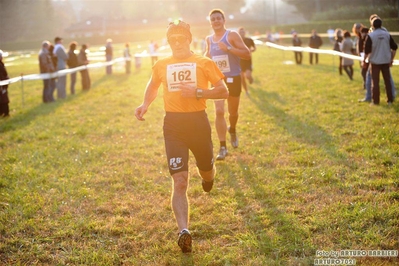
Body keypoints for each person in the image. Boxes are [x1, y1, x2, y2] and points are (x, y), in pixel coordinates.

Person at [134, 20, 228, 253]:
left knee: (206, 169)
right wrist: (145, 103)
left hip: (198, 122)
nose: (177, 43)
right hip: (173, 125)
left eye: (181, 38)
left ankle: (208, 177)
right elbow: (153, 84)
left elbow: (223, 91)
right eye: (172, 39)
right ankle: (183, 231)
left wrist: (199, 92)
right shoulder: (162, 64)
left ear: (189, 39)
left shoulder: (203, 63)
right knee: (180, 180)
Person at [205, 9, 251, 160]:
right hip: (218, 80)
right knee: (219, 112)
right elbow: (207, 57)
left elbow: (246, 54)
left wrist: (229, 48)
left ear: (224, 20)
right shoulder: (209, 39)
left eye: (219, 18)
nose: (216, 21)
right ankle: (222, 146)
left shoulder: (231, 35)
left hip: (233, 78)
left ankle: (233, 129)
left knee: (233, 113)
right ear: (210, 22)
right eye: (213, 19)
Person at [364, 18, 397, 105]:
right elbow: (394, 47)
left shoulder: (371, 35)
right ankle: (390, 100)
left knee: (375, 82)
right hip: (386, 61)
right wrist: (391, 59)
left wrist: (364, 61)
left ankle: (375, 101)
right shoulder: (387, 34)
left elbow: (366, 51)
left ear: (372, 25)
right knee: (387, 81)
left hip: (375, 62)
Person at [238, 27, 256, 95]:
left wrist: (251, 50)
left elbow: (254, 48)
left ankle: (250, 79)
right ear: (238, 33)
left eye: (243, 32)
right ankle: (246, 91)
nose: (242, 33)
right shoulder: (237, 41)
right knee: (242, 78)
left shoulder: (249, 40)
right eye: (240, 32)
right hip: (239, 62)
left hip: (248, 61)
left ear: (245, 33)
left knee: (247, 76)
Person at [0, 50, 10, 117]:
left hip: (3, 83)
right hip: (2, 84)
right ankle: (5, 113)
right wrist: (6, 79)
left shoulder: (1, 64)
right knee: (3, 99)